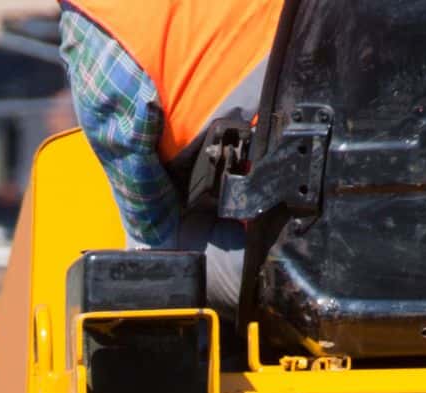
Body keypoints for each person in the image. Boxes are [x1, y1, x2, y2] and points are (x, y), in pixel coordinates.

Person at [58, 0, 286, 304]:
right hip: (362, 195)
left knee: (154, 269)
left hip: (307, 249)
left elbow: (151, 227)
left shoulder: (99, 21)